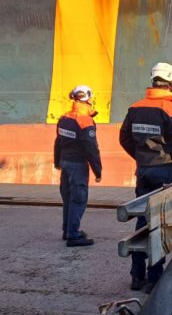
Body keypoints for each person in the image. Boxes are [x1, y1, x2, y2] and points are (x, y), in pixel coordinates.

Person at [119, 62, 172, 293]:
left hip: (143, 171)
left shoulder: (135, 107)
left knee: (143, 221)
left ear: (153, 80)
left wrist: (141, 158)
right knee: (160, 224)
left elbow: (125, 139)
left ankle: (137, 277)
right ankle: (154, 279)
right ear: (171, 82)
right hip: (166, 171)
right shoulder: (170, 109)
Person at [54, 85, 102, 247]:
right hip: (77, 165)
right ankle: (74, 235)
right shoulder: (85, 121)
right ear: (88, 99)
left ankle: (67, 230)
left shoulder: (64, 118)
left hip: (65, 162)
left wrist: (57, 162)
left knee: (67, 198)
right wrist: (98, 171)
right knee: (78, 199)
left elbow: (58, 142)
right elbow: (91, 148)